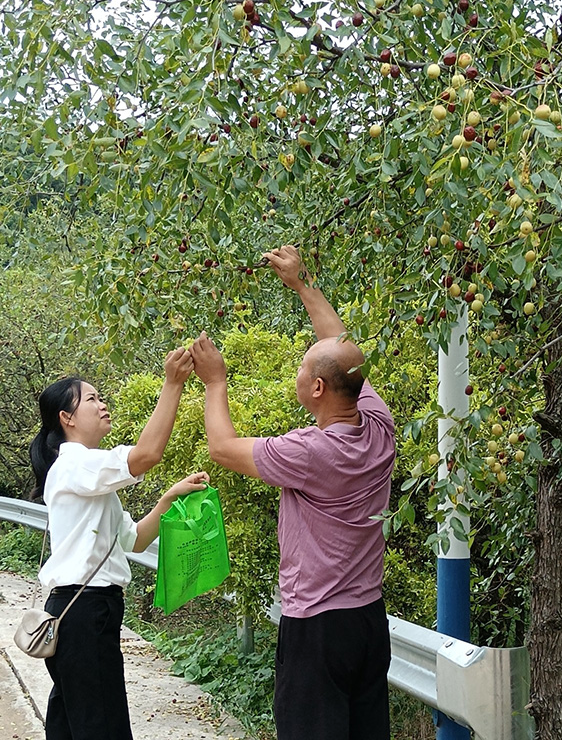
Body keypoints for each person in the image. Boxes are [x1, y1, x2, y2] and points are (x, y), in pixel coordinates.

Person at [191, 245, 396, 740]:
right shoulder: (378, 424)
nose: (297, 376)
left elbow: (221, 447)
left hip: (317, 626)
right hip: (368, 621)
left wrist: (215, 382)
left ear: (320, 389)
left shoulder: (308, 453)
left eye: (303, 371)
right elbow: (340, 344)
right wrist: (302, 283)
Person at [30, 348, 210, 740]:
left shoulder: (90, 479)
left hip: (82, 611)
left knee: (72, 724)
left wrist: (168, 500)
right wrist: (173, 383)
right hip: (84, 611)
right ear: (67, 418)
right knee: (102, 726)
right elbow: (147, 455)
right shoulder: (76, 465)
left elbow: (135, 537)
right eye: (92, 399)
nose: (103, 404)